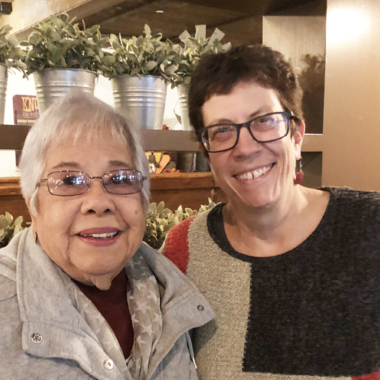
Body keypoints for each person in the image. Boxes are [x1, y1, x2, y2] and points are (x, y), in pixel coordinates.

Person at [162, 45, 380, 380]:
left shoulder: (369, 227)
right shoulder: (185, 249)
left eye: (263, 121)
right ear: (207, 154)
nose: (245, 148)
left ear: (296, 135)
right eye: (222, 130)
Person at [0, 92, 214, 380]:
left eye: (121, 178)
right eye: (69, 180)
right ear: (33, 205)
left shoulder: (173, 291)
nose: (98, 202)